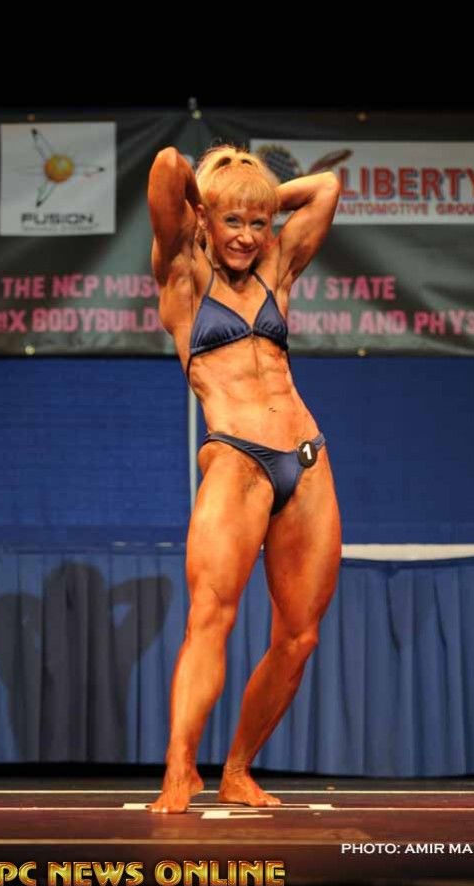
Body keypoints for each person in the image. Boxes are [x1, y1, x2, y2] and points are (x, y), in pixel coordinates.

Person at [146, 143, 342, 813]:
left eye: (259, 224)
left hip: (306, 461)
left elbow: (326, 188)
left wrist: (258, 198)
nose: (248, 237)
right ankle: (180, 768)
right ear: (205, 218)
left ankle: (237, 770)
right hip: (236, 460)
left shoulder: (276, 268)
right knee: (211, 618)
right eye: (234, 222)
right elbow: (167, 166)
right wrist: (219, 197)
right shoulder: (182, 271)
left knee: (300, 635)